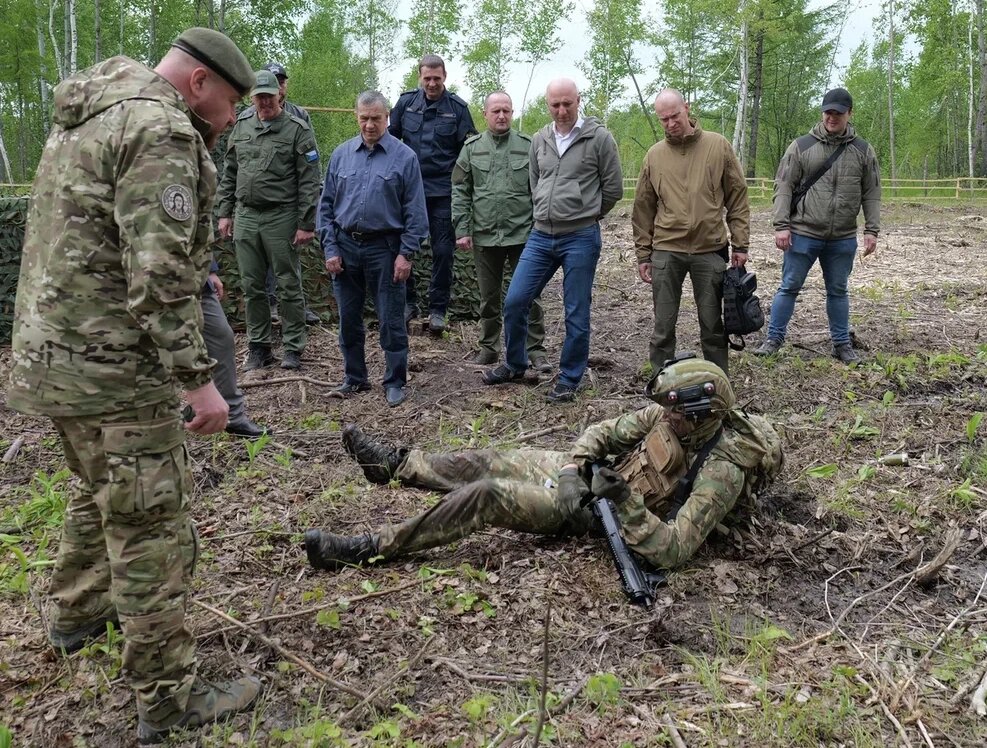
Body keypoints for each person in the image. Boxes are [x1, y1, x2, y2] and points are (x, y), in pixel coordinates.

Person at [7, 28, 261, 742]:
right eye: (231, 104)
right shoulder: (161, 128)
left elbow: (100, 236)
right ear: (200, 83)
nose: (230, 122)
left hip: (54, 359)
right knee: (150, 526)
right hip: (116, 368)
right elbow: (156, 273)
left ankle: (78, 614)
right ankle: (168, 698)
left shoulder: (90, 113)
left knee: (100, 489)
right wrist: (198, 381)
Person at [303, 357, 783, 572]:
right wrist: (575, 471)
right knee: (489, 459)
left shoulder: (721, 470)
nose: (665, 416)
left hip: (605, 515)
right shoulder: (669, 415)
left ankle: (371, 547)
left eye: (675, 413)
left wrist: (622, 500)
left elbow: (674, 550)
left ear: (701, 415)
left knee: (488, 494)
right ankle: (397, 466)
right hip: (591, 486)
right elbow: (604, 432)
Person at [482, 78, 623, 403]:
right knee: (515, 300)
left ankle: (570, 378)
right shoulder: (541, 139)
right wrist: (546, 210)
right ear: (548, 104)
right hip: (541, 235)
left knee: (576, 311)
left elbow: (613, 187)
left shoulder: (599, 138)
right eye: (555, 105)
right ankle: (515, 363)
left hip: (581, 237)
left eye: (567, 104)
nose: (561, 111)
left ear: (578, 100)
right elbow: (536, 182)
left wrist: (587, 213)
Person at [317, 91, 429, 408]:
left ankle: (395, 381)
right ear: (356, 117)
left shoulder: (405, 158)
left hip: (386, 250)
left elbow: (416, 213)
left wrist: (406, 254)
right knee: (348, 318)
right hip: (345, 247)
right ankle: (354, 377)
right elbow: (325, 207)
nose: (369, 125)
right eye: (364, 118)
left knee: (391, 319)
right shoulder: (341, 155)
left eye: (375, 118)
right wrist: (330, 248)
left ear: (387, 117)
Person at [753, 87, 881, 364]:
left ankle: (842, 344)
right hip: (803, 232)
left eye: (838, 113)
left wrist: (872, 230)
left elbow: (871, 192)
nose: (831, 118)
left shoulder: (863, 150)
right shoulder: (801, 146)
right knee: (789, 287)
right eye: (827, 112)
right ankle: (773, 339)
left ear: (850, 114)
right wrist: (781, 225)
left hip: (842, 236)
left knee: (838, 291)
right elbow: (783, 186)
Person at [632, 89, 750, 377]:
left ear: (686, 107)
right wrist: (643, 254)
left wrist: (740, 244)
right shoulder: (654, 156)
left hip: (709, 249)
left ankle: (718, 381)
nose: (671, 123)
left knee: (713, 324)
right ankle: (661, 382)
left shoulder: (717, 146)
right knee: (663, 325)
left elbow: (737, 196)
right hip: (666, 250)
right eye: (664, 119)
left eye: (675, 115)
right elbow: (643, 208)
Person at [217, 69, 321, 372]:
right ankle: (259, 347)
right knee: (252, 286)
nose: (264, 102)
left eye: (269, 96)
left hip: (281, 216)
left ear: (279, 94)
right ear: (252, 97)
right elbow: (230, 170)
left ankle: (293, 347)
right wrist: (224, 212)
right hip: (246, 215)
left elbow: (309, 180)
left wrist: (306, 223)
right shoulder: (242, 124)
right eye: (259, 97)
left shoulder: (297, 129)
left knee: (288, 285)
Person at [452, 91, 551, 372]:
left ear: (512, 112)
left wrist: (540, 228)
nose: (501, 116)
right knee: (488, 297)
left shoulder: (528, 146)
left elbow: (540, 190)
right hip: (485, 234)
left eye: (506, 110)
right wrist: (462, 229)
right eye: (495, 111)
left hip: (524, 235)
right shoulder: (471, 148)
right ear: (485, 114)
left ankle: (535, 350)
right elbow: (460, 190)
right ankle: (489, 348)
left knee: (530, 296)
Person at [389, 54, 477, 333]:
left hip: (443, 191)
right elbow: (390, 140)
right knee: (402, 246)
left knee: (443, 250)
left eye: (436, 78)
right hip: (408, 189)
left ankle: (438, 308)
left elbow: (469, 152)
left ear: (445, 77)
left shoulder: (458, 109)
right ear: (420, 76)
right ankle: (408, 302)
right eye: (427, 78)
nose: (431, 83)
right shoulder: (406, 103)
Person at [239, 61, 321, 327]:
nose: (279, 87)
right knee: (256, 269)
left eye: (281, 81)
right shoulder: (246, 118)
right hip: (254, 206)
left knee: (288, 265)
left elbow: (309, 165)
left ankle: (296, 311)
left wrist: (305, 213)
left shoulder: (298, 117)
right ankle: (269, 310)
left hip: (287, 203)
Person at [201, 263, 270, 438]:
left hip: (194, 280)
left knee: (221, 336)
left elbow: (198, 244)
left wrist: (210, 270)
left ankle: (232, 416)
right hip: (151, 283)